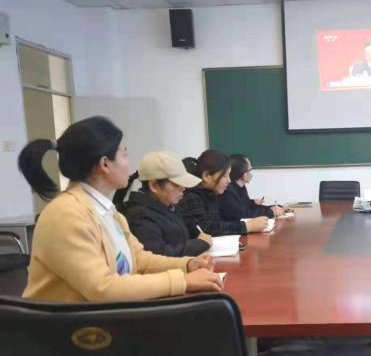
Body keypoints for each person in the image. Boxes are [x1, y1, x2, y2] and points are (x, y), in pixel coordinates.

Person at [17, 117, 223, 302]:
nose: (129, 165)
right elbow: (102, 288)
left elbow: (139, 260)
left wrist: (187, 265)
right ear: (105, 164)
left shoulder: (107, 211)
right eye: (124, 155)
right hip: (71, 328)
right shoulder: (66, 214)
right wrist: (182, 281)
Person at [115, 151, 213, 257]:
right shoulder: (140, 216)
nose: (183, 188)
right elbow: (158, 254)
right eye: (176, 185)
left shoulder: (167, 204)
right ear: (154, 185)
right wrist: (200, 244)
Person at [178, 150, 268, 236]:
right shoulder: (191, 195)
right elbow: (205, 228)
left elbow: (219, 222)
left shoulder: (211, 192)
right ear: (206, 175)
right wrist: (247, 226)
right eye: (225, 175)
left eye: (229, 175)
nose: (229, 180)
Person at [219, 154, 288, 221]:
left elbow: (248, 207)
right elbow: (243, 216)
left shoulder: (241, 187)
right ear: (243, 174)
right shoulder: (227, 191)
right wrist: (270, 211)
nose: (251, 173)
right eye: (250, 169)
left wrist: (278, 207)